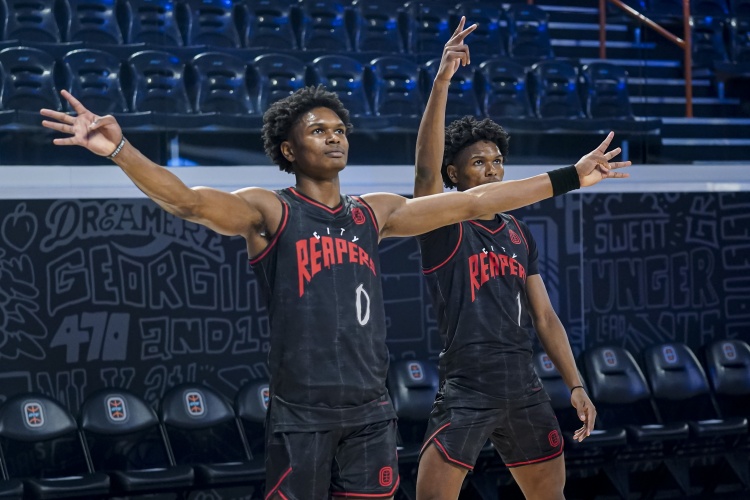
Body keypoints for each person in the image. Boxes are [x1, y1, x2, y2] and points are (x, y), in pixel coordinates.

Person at [40, 81, 626, 500]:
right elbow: (188, 201)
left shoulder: (375, 213)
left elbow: (475, 201)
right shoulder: (270, 209)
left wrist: (571, 176)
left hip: (371, 411)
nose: (334, 137)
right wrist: (120, 150)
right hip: (302, 414)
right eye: (318, 130)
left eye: (339, 129)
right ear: (288, 149)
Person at [412, 18, 625, 500]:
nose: (492, 170)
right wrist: (442, 82)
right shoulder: (443, 223)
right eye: (478, 163)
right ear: (454, 174)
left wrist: (575, 385)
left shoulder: (516, 231)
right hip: (467, 384)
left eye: (497, 161)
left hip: (522, 383)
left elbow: (544, 316)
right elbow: (424, 171)